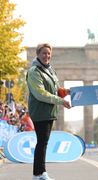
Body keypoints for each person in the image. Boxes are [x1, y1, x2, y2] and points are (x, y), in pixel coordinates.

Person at [26, 43, 71, 180]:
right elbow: (40, 93)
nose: (47, 56)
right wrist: (61, 101)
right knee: (42, 142)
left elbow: (56, 90)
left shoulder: (50, 70)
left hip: (49, 111)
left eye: (49, 53)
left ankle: (41, 172)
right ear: (38, 54)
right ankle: (38, 174)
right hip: (40, 111)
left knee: (43, 142)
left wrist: (66, 92)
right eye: (44, 53)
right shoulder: (34, 71)